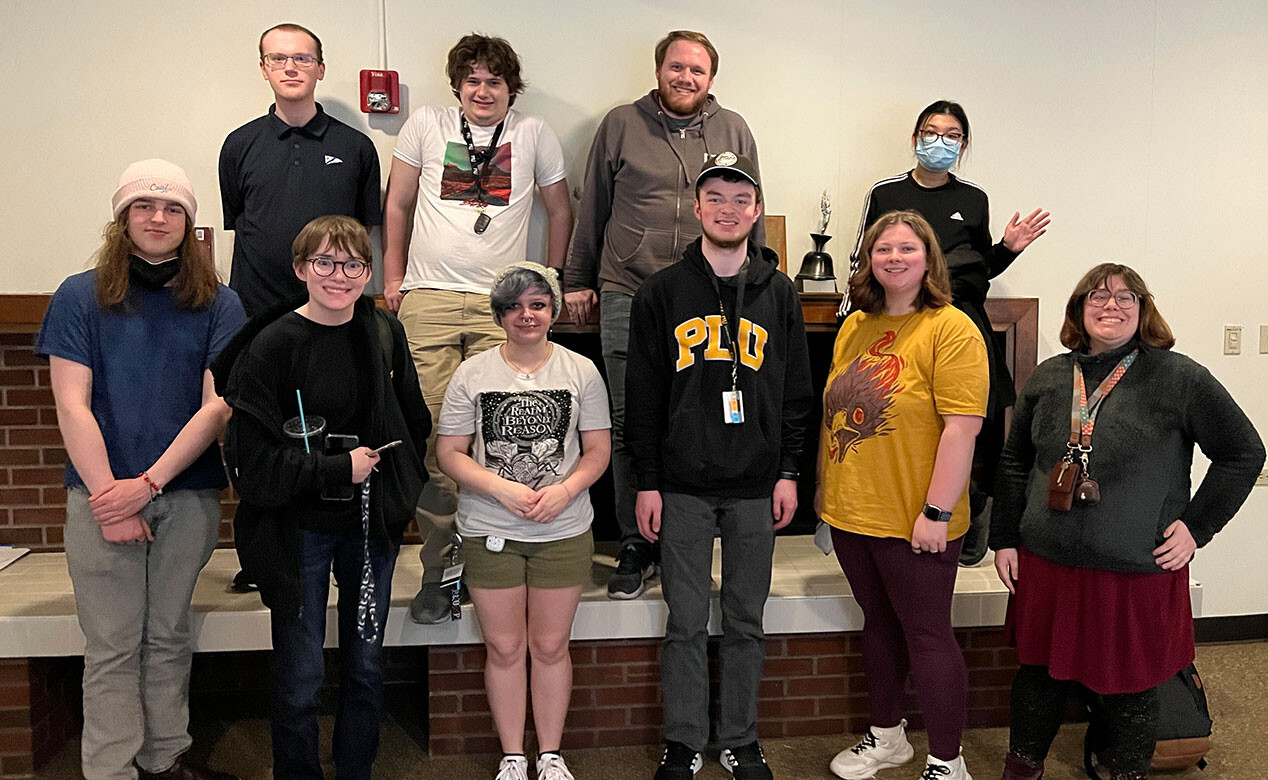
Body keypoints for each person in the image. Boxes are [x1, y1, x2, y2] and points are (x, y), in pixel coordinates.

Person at [989, 264, 1264, 780]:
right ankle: (1022, 769)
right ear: (1078, 309)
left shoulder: (1179, 376)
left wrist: (1196, 527)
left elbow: (1243, 453)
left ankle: (1127, 774)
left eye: (1125, 297)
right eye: (1097, 296)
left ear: (1143, 310)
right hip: (1048, 560)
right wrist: (1004, 538)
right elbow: (1013, 462)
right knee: (1038, 676)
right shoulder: (1050, 375)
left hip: (1135, 566)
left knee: (1130, 685)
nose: (1110, 306)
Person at [38, 160, 245, 780]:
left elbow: (217, 408)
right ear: (122, 218)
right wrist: (111, 495)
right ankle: (110, 770)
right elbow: (71, 404)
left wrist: (149, 485)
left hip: (185, 495)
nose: (158, 218)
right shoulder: (79, 295)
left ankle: (163, 759)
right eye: (144, 206)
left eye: (172, 208)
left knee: (168, 637)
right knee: (112, 647)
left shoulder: (220, 301)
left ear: (189, 221)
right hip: (98, 499)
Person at [212, 216, 431, 780]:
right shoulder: (272, 344)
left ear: (368, 272)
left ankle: (356, 768)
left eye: (354, 264)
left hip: (367, 525)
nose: (340, 275)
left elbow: (413, 423)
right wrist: (335, 467)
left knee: (365, 664)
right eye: (325, 263)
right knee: (301, 667)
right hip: (298, 527)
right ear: (301, 269)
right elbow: (253, 460)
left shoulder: (384, 332)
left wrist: (396, 494)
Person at [626, 153, 812, 780]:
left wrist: (789, 471)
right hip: (680, 484)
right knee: (682, 620)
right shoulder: (661, 292)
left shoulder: (779, 292)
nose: (728, 209)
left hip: (756, 485)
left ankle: (739, 737)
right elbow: (643, 397)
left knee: (744, 618)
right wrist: (646, 480)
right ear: (698, 207)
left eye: (741, 199)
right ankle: (683, 741)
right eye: (716, 197)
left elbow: (795, 394)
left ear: (755, 212)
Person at [564, 30, 764, 600]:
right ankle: (635, 539)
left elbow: (752, 206)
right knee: (631, 420)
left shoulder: (734, 130)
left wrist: (759, 278)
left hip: (707, 295)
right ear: (658, 70)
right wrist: (577, 279)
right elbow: (593, 206)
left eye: (697, 71)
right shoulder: (621, 124)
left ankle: (687, 534)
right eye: (677, 67)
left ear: (710, 79)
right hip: (629, 289)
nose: (686, 78)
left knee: (696, 417)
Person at [382, 33, 572, 624]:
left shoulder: (534, 132)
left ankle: (496, 565)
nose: (482, 90)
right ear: (457, 85)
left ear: (509, 87)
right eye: (473, 80)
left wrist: (552, 282)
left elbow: (561, 209)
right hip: (431, 298)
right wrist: (394, 277)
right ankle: (443, 572)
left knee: (504, 441)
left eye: (494, 80)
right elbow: (398, 203)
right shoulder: (425, 123)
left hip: (504, 305)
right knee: (440, 443)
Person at [837, 100, 1050, 566]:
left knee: (984, 420)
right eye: (931, 132)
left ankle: (972, 513)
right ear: (915, 139)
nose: (940, 141)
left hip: (962, 319)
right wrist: (850, 323)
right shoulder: (885, 192)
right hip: (899, 321)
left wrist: (1008, 250)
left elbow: (980, 270)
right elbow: (862, 259)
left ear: (964, 144)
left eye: (952, 135)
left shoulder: (973, 199)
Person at [818, 210, 987, 780]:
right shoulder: (854, 326)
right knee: (878, 624)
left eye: (906, 249)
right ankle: (888, 737)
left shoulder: (952, 328)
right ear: (869, 259)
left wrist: (937, 512)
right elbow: (835, 411)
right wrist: (826, 491)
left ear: (928, 259)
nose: (894, 257)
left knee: (927, 633)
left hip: (917, 517)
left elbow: (962, 428)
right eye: (882, 248)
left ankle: (948, 761)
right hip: (852, 512)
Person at [435, 263, 611, 780]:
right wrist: (501, 488)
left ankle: (550, 756)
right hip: (491, 528)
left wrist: (564, 490)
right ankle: (513, 756)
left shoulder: (582, 371)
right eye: (514, 306)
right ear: (500, 315)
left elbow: (598, 451)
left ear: (553, 310)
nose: (526, 315)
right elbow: (450, 453)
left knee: (552, 646)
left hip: (564, 529)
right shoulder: (473, 373)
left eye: (537, 304)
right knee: (506, 647)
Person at [219, 22, 382, 316]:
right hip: (256, 310)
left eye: (302, 58)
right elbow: (241, 222)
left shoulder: (356, 147)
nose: (290, 68)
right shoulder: (238, 144)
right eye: (278, 59)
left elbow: (361, 229)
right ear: (263, 68)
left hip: (333, 306)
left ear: (320, 69)